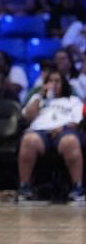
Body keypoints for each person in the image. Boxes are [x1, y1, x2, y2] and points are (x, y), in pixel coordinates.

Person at [18, 69, 84, 201]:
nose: (53, 84)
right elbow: (28, 117)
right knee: (28, 140)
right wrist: (39, 95)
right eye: (50, 81)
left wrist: (62, 128)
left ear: (64, 83)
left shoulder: (73, 100)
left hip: (64, 131)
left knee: (70, 141)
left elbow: (78, 121)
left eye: (57, 81)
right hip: (40, 132)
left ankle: (78, 187)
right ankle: (24, 187)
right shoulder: (38, 99)